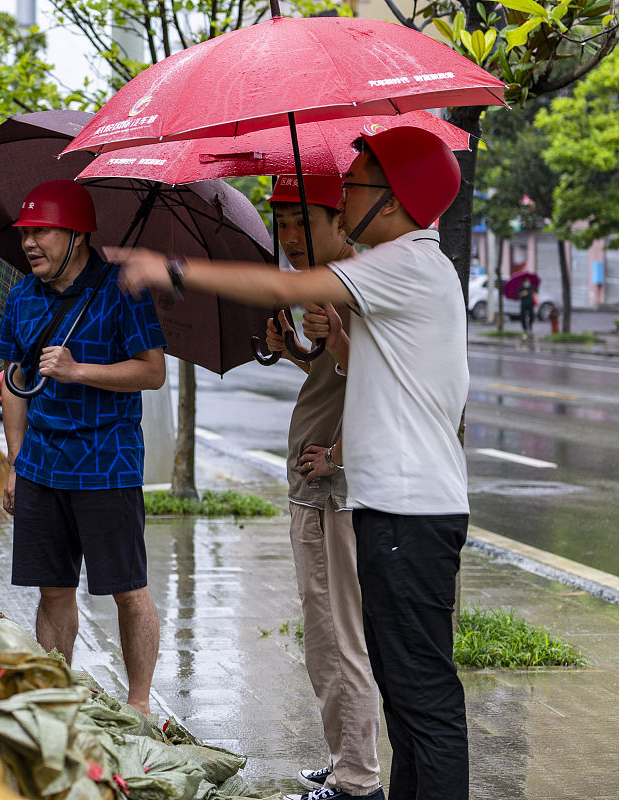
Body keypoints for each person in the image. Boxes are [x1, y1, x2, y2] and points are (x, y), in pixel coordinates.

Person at [108, 126, 470, 800]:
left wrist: (172, 268)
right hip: (398, 510)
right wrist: (318, 347)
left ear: (391, 201)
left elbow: (284, 283)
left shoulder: (406, 263)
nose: (344, 198)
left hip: (409, 515)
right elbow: (381, 377)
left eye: (355, 185)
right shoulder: (413, 268)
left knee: (423, 701)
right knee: (409, 700)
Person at [0, 179, 167, 714]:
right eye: (25, 233)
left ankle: (138, 704)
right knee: (51, 589)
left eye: (40, 231)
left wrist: (79, 370)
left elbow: (153, 372)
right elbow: (15, 379)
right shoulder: (22, 295)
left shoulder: (124, 287)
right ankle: (55, 698)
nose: (29, 244)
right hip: (42, 466)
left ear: (76, 234)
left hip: (107, 464)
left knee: (127, 589)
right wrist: (17, 460)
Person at [263, 175, 382, 800]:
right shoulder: (333, 292)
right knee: (325, 634)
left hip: (333, 493)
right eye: (281, 222)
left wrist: (334, 454)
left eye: (302, 221)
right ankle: (346, 760)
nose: (289, 236)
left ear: (342, 219)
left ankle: (356, 781)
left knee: (336, 638)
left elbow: (385, 383)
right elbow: (339, 375)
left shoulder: (358, 287)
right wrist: (298, 353)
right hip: (316, 489)